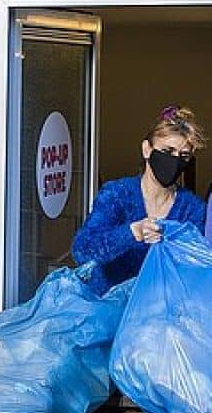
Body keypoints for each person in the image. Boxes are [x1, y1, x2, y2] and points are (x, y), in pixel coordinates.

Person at [72, 105, 206, 295]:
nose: (174, 161)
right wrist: (133, 232)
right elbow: (83, 250)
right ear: (147, 149)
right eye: (167, 152)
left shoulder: (192, 209)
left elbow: (197, 266)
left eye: (183, 156)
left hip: (159, 311)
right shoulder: (117, 195)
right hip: (107, 307)